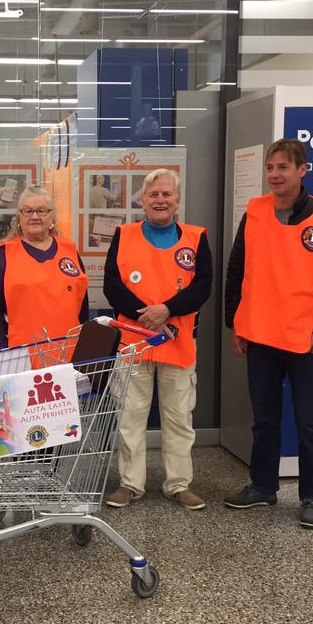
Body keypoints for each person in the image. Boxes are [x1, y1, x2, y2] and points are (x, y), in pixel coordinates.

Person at [223, 138, 313, 529]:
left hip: (305, 341)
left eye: (283, 167)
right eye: (270, 167)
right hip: (260, 336)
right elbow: (237, 270)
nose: (275, 175)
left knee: (310, 422)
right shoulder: (255, 212)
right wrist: (236, 323)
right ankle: (263, 486)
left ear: (302, 170)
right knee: (264, 419)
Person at [102, 168, 212, 511]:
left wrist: (167, 310)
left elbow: (203, 285)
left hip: (178, 344)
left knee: (179, 417)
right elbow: (112, 286)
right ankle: (130, 484)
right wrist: (145, 317)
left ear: (177, 200)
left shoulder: (196, 238)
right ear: (143, 201)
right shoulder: (123, 235)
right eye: (153, 194)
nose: (160, 199)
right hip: (133, 343)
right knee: (130, 417)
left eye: (166, 194)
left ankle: (179, 484)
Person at [0, 187, 88, 349]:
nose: (35, 217)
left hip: (69, 352)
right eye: (28, 211)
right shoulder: (3, 255)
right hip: (22, 356)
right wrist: (2, 353)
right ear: (19, 216)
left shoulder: (70, 250)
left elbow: (82, 307)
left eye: (42, 211)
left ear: (52, 216)